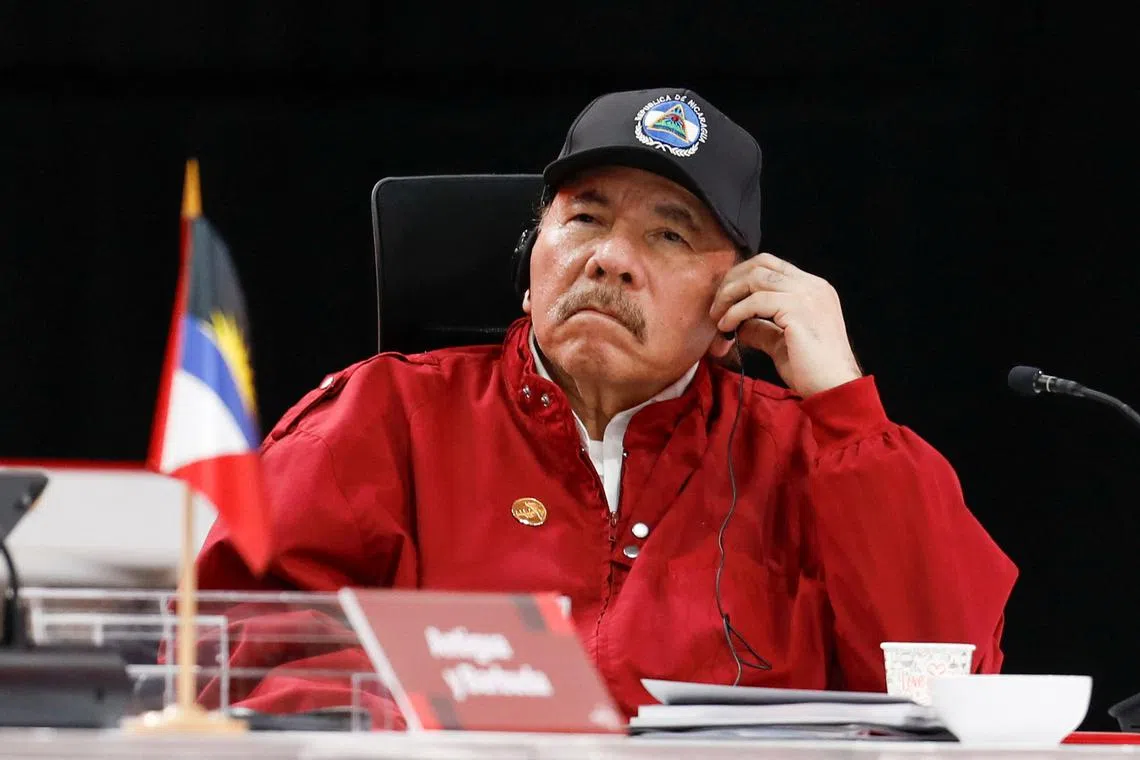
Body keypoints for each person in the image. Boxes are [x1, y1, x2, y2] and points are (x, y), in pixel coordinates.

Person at [195, 87, 1018, 722]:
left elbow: (943, 684)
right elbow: (235, 651)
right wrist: (423, 719)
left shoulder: (812, 456)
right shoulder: (382, 418)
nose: (612, 260)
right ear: (530, 267)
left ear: (735, 305)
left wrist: (844, 406)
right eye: (585, 219)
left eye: (670, 234)